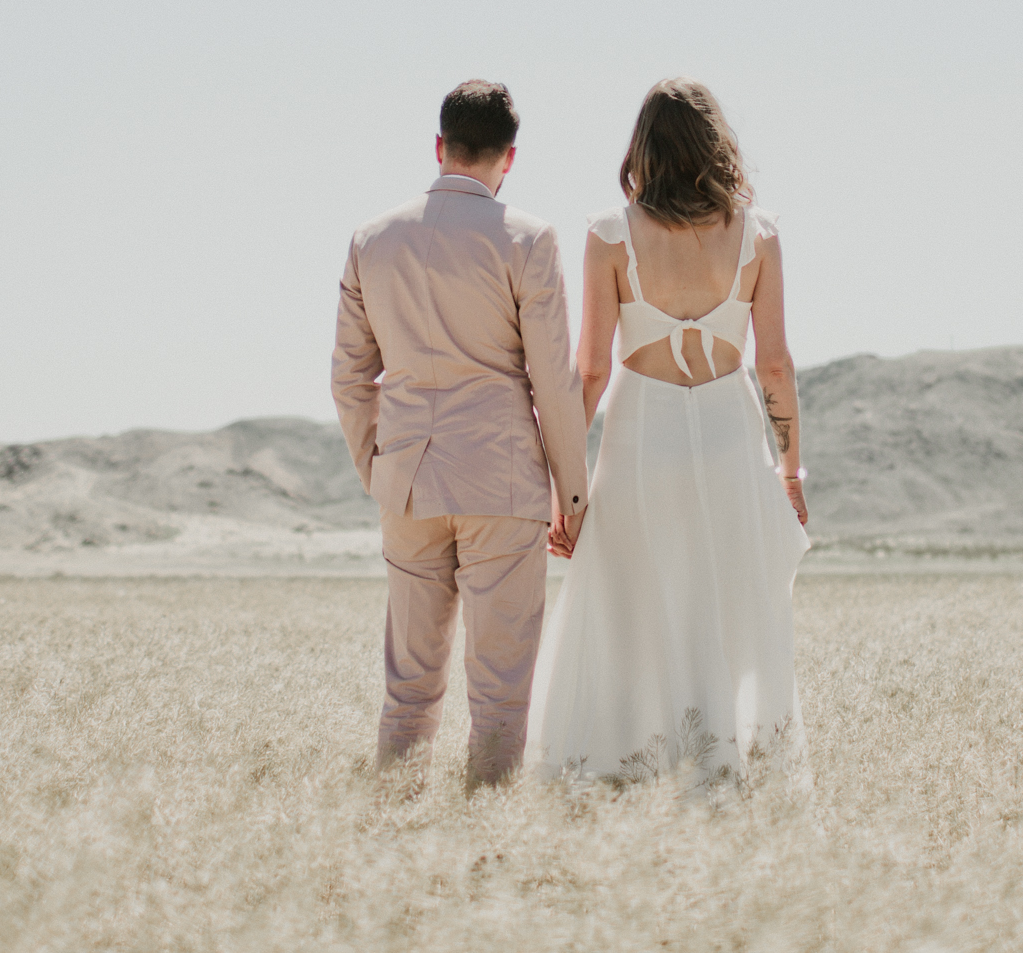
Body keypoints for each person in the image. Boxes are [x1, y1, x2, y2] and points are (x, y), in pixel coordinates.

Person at [526, 78, 809, 790]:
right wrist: (792, 472)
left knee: (633, 599)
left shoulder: (609, 234)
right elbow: (773, 364)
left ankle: (626, 766)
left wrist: (567, 486)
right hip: (729, 434)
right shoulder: (760, 235)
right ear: (717, 144)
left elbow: (588, 371)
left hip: (641, 434)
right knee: (723, 599)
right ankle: (722, 766)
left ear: (643, 146)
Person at [330, 80, 592, 785]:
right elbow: (553, 381)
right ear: (510, 158)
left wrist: (380, 473)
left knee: (408, 687)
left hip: (408, 484)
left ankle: (390, 829)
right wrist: (573, 497)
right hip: (501, 483)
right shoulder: (528, 239)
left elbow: (350, 381)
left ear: (440, 146)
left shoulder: (371, 239)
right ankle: (488, 847)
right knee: (501, 690)